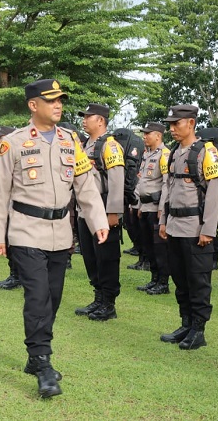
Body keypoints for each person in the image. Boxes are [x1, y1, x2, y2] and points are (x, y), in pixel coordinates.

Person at [0, 78, 108, 398]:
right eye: (51, 100)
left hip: (60, 234)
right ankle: (42, 363)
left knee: (52, 298)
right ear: (33, 105)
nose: (58, 105)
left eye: (60, 101)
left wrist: (97, 220)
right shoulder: (12, 143)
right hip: (25, 230)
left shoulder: (71, 140)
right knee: (38, 297)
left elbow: (84, 185)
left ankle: (34, 353)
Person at [159, 104, 218, 350]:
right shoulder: (175, 151)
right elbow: (168, 189)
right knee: (180, 279)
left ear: (192, 123)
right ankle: (185, 324)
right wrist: (163, 221)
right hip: (175, 227)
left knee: (198, 281)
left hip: (195, 229)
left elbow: (215, 192)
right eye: (170, 124)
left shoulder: (206, 152)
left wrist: (208, 229)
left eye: (177, 123)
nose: (172, 128)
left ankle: (198, 329)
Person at [74, 103, 124, 322]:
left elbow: (116, 181)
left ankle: (109, 303)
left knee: (106, 258)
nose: (84, 120)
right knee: (90, 256)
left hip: (103, 209)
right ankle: (98, 297)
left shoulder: (110, 146)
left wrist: (113, 212)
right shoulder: (85, 145)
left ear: (101, 120)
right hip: (85, 209)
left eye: (88, 116)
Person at [135, 122, 171, 295]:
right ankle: (154, 278)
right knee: (148, 246)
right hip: (146, 206)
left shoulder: (164, 155)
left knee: (160, 248)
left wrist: (162, 209)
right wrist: (141, 205)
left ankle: (163, 282)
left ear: (158, 136)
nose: (144, 136)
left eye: (147, 133)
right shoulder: (147, 154)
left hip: (157, 208)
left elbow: (167, 183)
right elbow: (144, 182)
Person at [0, 126, 21, 289]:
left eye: (0, 137)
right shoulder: (4, 155)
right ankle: (14, 274)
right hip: (8, 206)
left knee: (16, 244)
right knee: (10, 243)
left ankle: (18, 276)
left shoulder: (17, 155)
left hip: (17, 207)